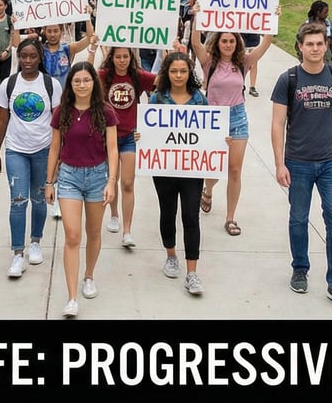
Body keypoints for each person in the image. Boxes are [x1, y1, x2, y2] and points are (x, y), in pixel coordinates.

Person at [272, 22, 332, 310]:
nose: (315, 48)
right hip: (297, 162)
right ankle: (300, 269)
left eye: (320, 43)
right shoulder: (289, 79)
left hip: (331, 162)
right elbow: (277, 124)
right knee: (298, 218)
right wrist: (279, 163)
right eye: (309, 44)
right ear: (300, 47)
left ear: (327, 46)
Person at [190, 11, 275, 236]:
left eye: (231, 41)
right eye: (224, 41)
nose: (228, 44)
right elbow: (195, 41)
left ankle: (230, 217)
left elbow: (266, 43)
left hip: (237, 118)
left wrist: (271, 20)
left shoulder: (244, 62)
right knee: (213, 167)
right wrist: (198, 16)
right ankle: (208, 190)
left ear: (237, 43)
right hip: (213, 120)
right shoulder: (209, 62)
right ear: (217, 43)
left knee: (234, 170)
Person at [46, 61, 119, 318]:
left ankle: (89, 275)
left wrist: (111, 181)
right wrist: (48, 182)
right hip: (69, 177)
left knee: (94, 231)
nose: (82, 85)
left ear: (93, 83)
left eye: (86, 80)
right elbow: (54, 148)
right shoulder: (61, 112)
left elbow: (112, 148)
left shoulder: (106, 112)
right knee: (73, 235)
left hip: (99, 176)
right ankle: (71, 297)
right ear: (71, 84)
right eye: (77, 81)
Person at [0, 37, 62, 279]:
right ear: (18, 58)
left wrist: (59, 153)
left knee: (40, 199)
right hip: (16, 150)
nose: (28, 61)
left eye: (33, 56)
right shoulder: (8, 85)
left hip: (44, 151)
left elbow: (58, 123)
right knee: (18, 201)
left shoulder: (51, 85)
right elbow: (2, 119)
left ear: (40, 58)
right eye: (23, 56)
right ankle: (18, 254)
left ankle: (35, 242)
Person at [148, 50, 210, 295]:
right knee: (168, 212)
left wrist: (220, 140)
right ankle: (171, 255)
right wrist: (142, 136)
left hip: (192, 168)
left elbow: (208, 130)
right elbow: (148, 126)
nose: (178, 75)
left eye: (183, 71)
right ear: (166, 73)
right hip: (163, 167)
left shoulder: (199, 99)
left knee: (191, 216)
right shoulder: (157, 99)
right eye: (173, 71)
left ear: (189, 73)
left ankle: (192, 272)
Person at [98, 46, 156, 248]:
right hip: (109, 136)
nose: (122, 60)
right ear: (111, 57)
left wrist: (169, 51)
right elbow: (84, 77)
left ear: (131, 58)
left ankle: (127, 230)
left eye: (125, 56)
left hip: (130, 136)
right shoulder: (104, 76)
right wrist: (91, 48)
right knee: (111, 180)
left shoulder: (137, 76)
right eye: (118, 56)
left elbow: (162, 80)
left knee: (128, 183)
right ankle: (114, 215)